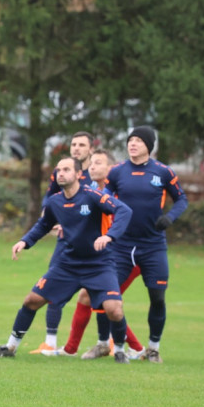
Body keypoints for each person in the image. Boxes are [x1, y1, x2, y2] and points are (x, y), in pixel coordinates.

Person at [0, 156, 134, 364]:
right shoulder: (55, 201)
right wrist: (24, 241)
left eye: (66, 169)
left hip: (99, 264)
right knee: (31, 301)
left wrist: (109, 236)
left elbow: (124, 210)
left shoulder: (92, 196)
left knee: (114, 309)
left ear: (79, 174)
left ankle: (118, 350)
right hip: (68, 264)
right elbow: (43, 225)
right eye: (58, 170)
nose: (60, 173)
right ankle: (10, 347)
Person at [88, 125, 188, 364]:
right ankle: (108, 345)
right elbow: (106, 198)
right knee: (107, 296)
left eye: (138, 141)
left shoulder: (163, 172)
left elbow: (182, 199)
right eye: (130, 140)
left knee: (157, 297)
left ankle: (153, 349)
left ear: (148, 146)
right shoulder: (117, 172)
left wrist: (169, 218)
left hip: (153, 246)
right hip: (121, 246)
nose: (132, 144)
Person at [55, 149, 145, 358]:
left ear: (111, 169)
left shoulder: (119, 194)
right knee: (88, 296)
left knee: (106, 300)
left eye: (97, 163)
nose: (91, 167)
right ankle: (89, 346)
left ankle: (136, 349)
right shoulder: (93, 190)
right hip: (106, 255)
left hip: (126, 254)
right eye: (91, 163)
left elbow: (127, 218)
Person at [30, 131, 96, 355]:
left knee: (101, 294)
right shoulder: (61, 173)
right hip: (65, 243)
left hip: (94, 246)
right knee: (52, 287)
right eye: (74, 144)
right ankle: (50, 341)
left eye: (82, 145)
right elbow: (50, 199)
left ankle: (109, 342)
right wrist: (50, 220)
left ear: (91, 149)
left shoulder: (97, 174)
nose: (76, 148)